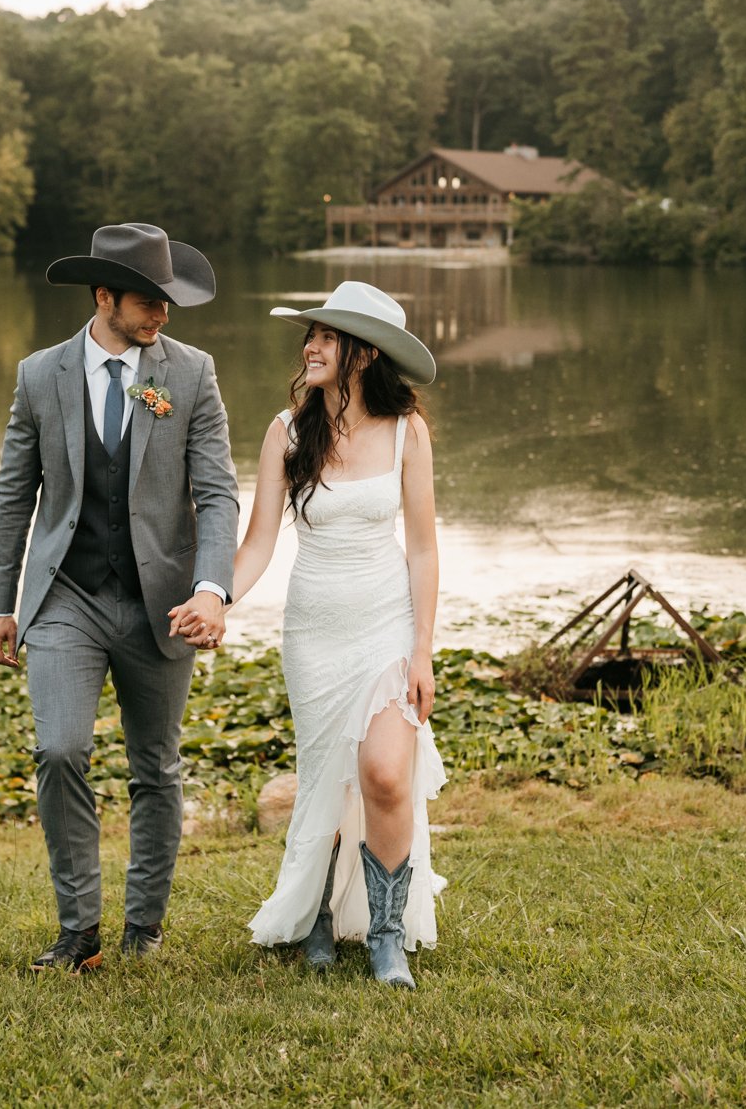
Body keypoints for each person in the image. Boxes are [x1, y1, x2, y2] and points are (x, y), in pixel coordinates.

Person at [0, 222, 240, 973]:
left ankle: (144, 923)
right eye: (147, 300)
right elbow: (12, 498)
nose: (162, 314)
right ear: (104, 296)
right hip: (67, 593)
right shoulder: (39, 375)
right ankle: (78, 929)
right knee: (60, 746)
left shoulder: (191, 374)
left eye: (168, 301)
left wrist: (212, 587)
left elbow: (218, 492)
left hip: (162, 599)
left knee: (156, 765)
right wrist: (1, 604)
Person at [182, 279, 447, 989]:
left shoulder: (406, 433)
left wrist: (422, 650)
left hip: (386, 623)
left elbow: (423, 549)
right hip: (314, 631)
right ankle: (325, 918)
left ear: (364, 354)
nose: (311, 346)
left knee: (387, 773)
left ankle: (386, 932)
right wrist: (218, 598)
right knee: (326, 777)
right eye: (312, 335)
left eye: (327, 336)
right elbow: (260, 541)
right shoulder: (287, 431)